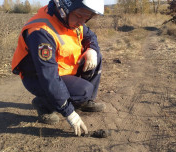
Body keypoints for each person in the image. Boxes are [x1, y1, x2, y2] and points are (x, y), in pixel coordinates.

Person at [11, 0, 106, 136]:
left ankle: (84, 102)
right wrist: (69, 113)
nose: (82, 22)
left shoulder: (73, 19)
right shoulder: (41, 31)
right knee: (84, 91)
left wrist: (92, 49)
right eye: (80, 16)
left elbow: (90, 35)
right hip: (37, 77)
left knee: (96, 56)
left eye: (86, 18)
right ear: (64, 9)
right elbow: (48, 77)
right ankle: (43, 104)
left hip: (61, 69)